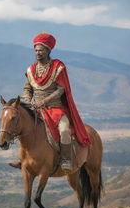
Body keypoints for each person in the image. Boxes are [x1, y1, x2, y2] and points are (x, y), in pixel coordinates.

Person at [9, 32, 91, 170]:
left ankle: (66, 159)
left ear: (48, 50)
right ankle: (22, 159)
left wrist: (45, 101)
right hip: (36, 109)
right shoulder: (31, 69)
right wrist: (28, 101)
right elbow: (27, 88)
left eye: (41, 50)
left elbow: (61, 90)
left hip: (56, 110)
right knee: (22, 127)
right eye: (36, 50)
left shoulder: (58, 67)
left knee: (64, 131)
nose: (38, 53)